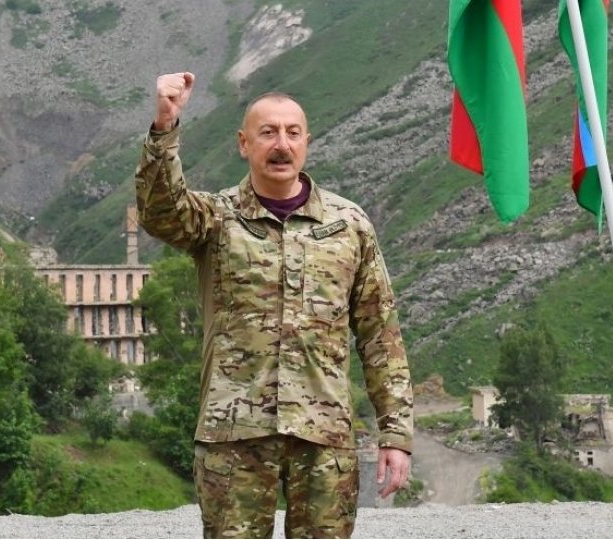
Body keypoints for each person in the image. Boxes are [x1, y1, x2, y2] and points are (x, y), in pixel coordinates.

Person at [135, 71, 413, 539]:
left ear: (307, 142)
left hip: (324, 437)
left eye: (292, 133)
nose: (281, 144)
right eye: (268, 133)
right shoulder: (216, 219)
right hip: (234, 435)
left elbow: (379, 335)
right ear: (244, 144)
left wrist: (396, 434)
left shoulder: (349, 225)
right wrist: (164, 128)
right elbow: (160, 211)